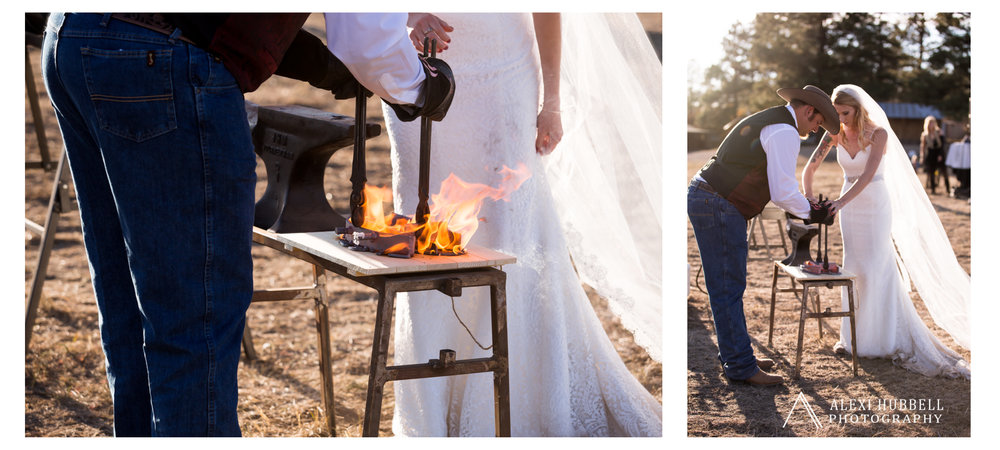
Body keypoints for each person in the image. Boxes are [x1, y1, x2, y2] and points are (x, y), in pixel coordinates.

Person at [41, 12, 454, 436]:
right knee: (192, 322)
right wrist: (421, 87)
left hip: (74, 36)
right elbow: (368, 36)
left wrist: (320, 64)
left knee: (127, 303)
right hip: (157, 58)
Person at [381, 13, 662, 436]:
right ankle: (432, 409)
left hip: (504, 71)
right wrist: (403, 15)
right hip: (419, 69)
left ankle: (522, 403)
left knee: (509, 227)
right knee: (424, 229)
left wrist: (551, 103)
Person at [801, 84, 970, 379]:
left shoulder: (878, 134)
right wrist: (810, 195)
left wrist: (839, 202)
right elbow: (809, 168)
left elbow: (868, 174)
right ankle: (852, 338)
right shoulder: (834, 133)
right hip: (848, 210)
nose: (840, 118)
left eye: (846, 112)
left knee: (878, 265)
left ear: (859, 109)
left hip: (874, 203)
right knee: (855, 266)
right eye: (837, 113)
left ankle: (885, 337)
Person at [688, 85, 840, 387]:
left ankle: (737, 355)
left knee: (728, 285)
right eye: (816, 123)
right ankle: (740, 366)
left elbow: (780, 185)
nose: (813, 131)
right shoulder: (784, 131)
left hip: (713, 198)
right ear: (809, 111)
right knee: (727, 286)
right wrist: (814, 213)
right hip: (718, 202)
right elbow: (783, 191)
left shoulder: (774, 122)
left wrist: (807, 206)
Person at [919, 115, 948, 194]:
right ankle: (933, 189)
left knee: (944, 171)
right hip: (930, 155)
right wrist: (922, 157)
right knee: (931, 172)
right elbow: (923, 146)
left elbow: (942, 145)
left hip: (938, 154)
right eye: (929, 123)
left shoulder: (939, 132)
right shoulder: (925, 134)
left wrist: (941, 155)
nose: (931, 125)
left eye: (932, 123)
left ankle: (948, 189)